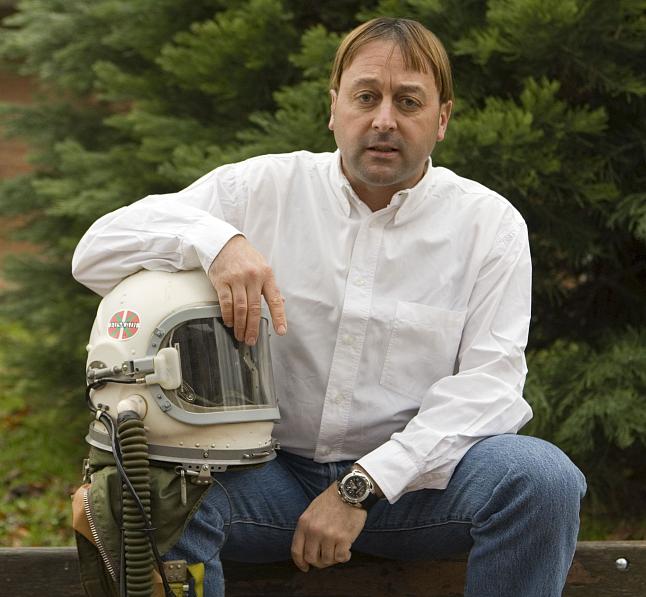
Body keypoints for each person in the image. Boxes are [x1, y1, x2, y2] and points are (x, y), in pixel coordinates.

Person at [72, 17, 586, 597]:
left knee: (542, 480)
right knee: (148, 494)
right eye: (365, 97)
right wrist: (216, 244)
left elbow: (490, 388)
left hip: (417, 491)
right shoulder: (259, 189)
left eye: (408, 101)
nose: (384, 119)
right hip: (266, 478)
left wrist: (360, 486)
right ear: (333, 107)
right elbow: (95, 252)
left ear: (442, 118)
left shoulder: (490, 226)